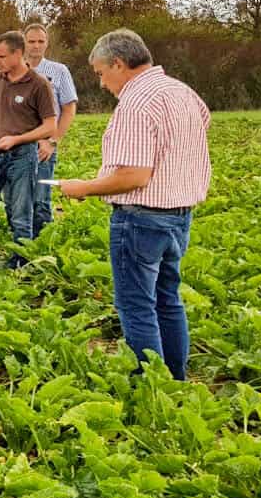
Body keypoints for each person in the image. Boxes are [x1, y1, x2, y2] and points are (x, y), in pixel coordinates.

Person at [61, 29, 211, 382]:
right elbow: (204, 123)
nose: (101, 83)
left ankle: (152, 385)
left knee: (136, 305)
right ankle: (175, 379)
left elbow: (133, 175)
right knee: (167, 300)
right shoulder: (181, 90)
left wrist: (85, 187)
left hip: (141, 217)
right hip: (179, 214)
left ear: (118, 63)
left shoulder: (136, 102)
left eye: (101, 73)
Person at [0, 31, 57, 265]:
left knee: (20, 211)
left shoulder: (38, 84)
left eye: (2, 57)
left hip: (22, 157)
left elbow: (49, 126)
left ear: (18, 54)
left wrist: (18, 139)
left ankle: (21, 260)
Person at [23, 23, 78, 237]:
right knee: (17, 198)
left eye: (41, 41)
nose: (36, 46)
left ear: (47, 43)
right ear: (23, 42)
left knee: (40, 198)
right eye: (31, 41)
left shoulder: (58, 71)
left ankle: (41, 243)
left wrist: (52, 141)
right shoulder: (14, 70)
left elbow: (69, 108)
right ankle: (21, 239)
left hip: (43, 145)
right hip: (17, 143)